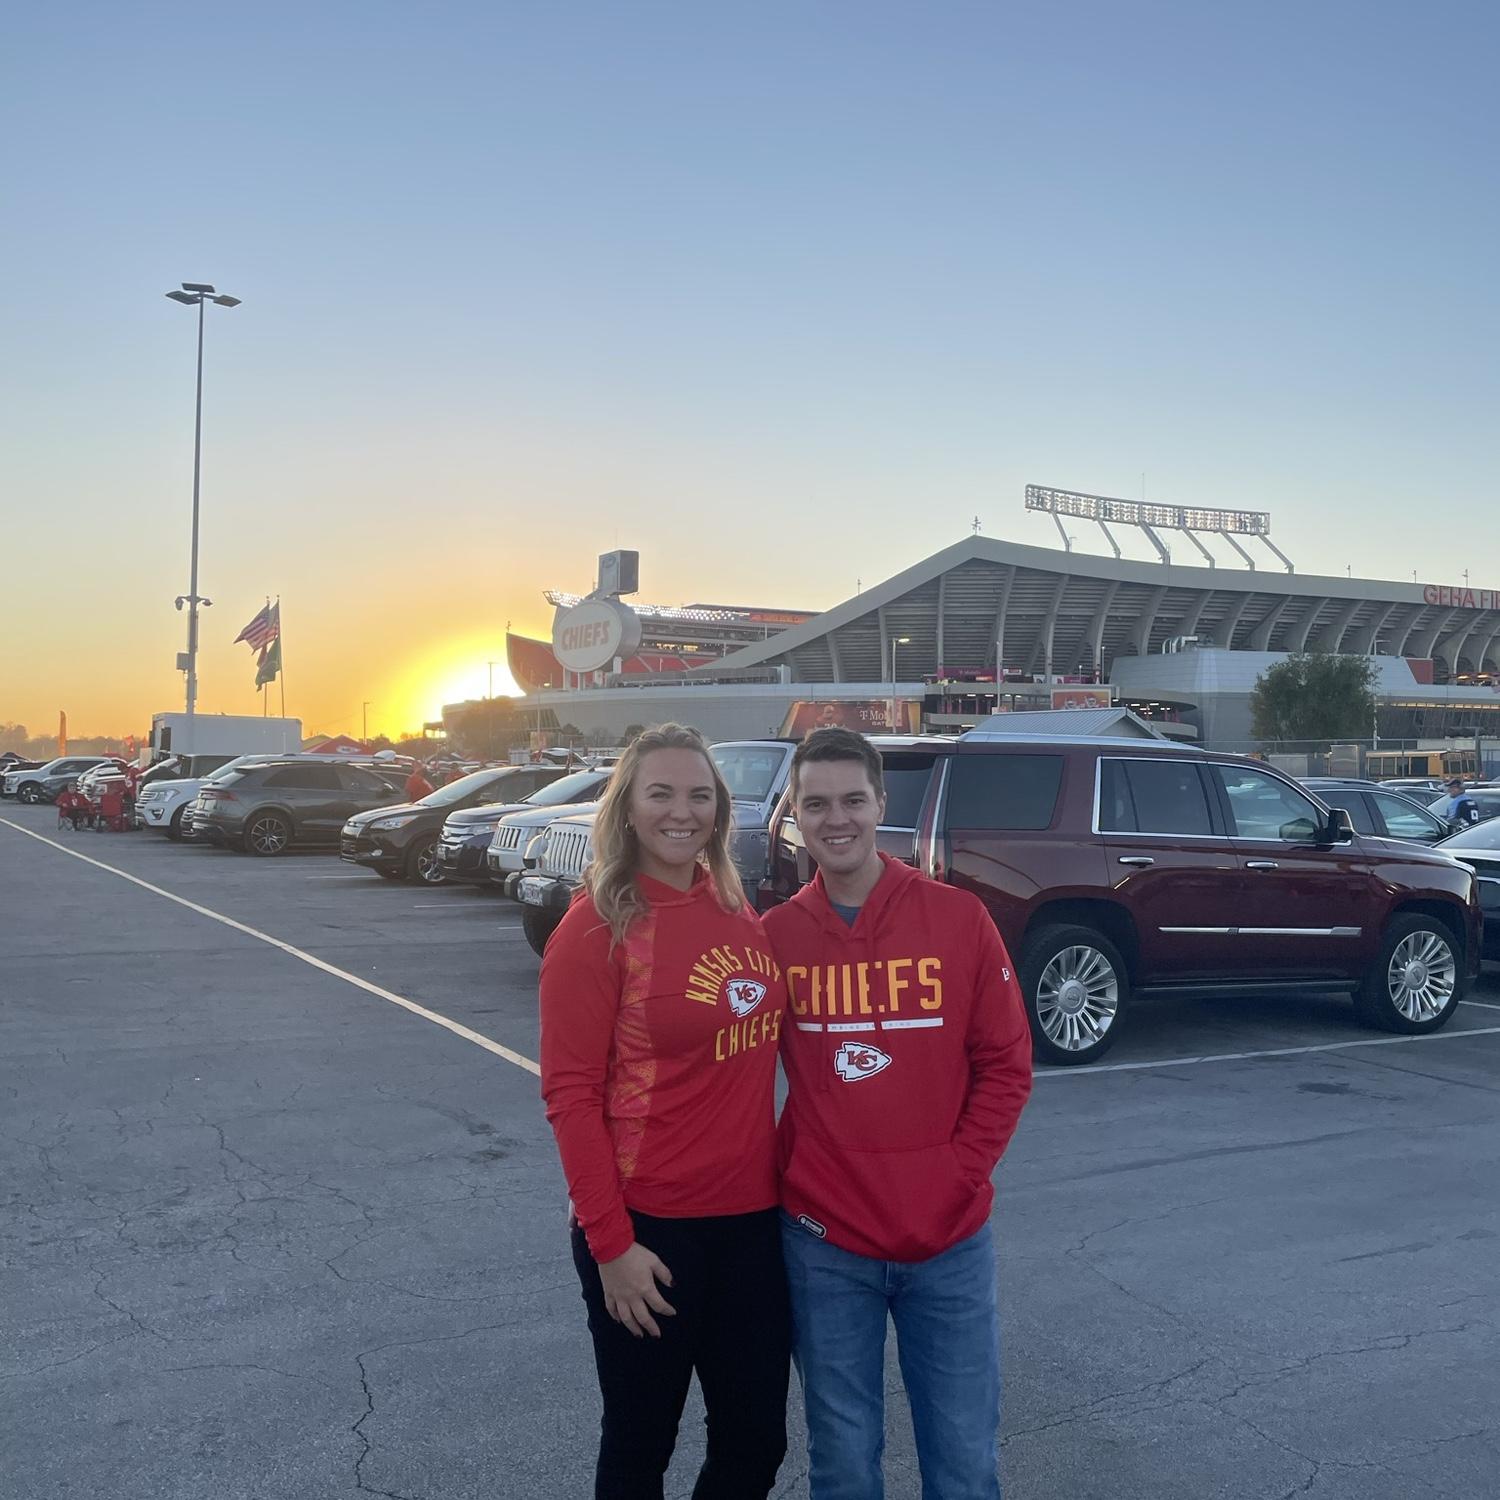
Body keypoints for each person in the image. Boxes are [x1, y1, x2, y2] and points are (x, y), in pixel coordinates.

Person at [763, 727, 1033, 1500]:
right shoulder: (775, 938)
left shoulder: (957, 920)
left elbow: (1007, 1066)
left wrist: (956, 1174)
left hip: (947, 1241)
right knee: (843, 1465)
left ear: (883, 803)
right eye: (816, 803)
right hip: (824, 1244)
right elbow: (719, 1063)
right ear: (796, 814)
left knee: (963, 1464)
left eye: (853, 799)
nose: (836, 818)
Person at [539, 722, 791, 1499]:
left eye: (699, 795)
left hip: (752, 1228)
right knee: (641, 1444)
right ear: (627, 807)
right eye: (661, 793)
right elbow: (570, 1096)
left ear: (719, 810)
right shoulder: (595, 928)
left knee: (755, 1444)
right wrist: (612, 1247)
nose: (681, 812)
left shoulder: (731, 907)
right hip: (649, 1232)